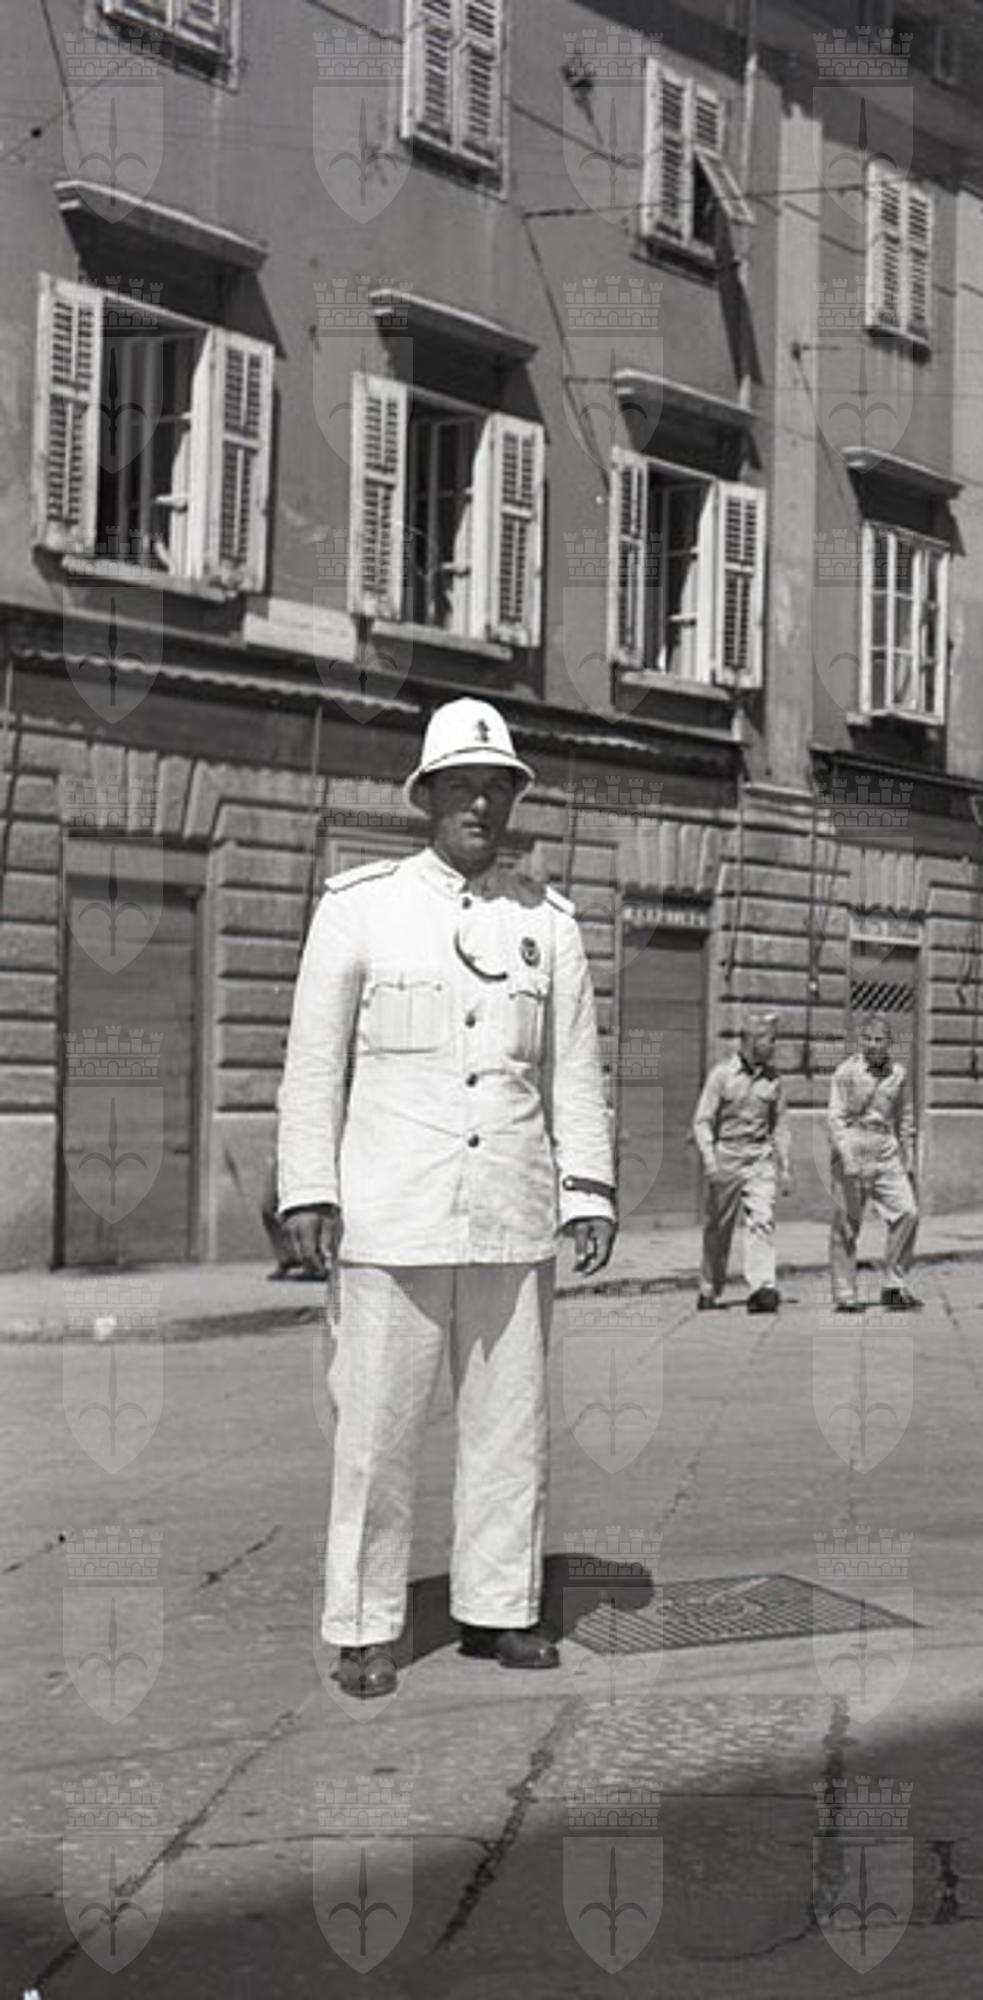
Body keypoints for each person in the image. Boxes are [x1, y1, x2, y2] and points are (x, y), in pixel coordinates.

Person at [277, 698, 616, 1700]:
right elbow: (313, 1062)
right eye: (460, 786)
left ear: (514, 800)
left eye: (496, 787)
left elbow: (573, 1070)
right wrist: (308, 1187)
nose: (479, 803)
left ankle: (499, 1608)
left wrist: (586, 1190)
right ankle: (364, 1625)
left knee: (510, 1429)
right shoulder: (361, 906)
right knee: (376, 1434)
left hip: (510, 1210)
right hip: (393, 1213)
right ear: (425, 796)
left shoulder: (547, 924)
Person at [691, 1013, 794, 1314]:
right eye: (770, 1040)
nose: (774, 1046)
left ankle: (762, 1288)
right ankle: (709, 1286)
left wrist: (785, 1164)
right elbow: (702, 1121)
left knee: (762, 1220)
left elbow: (780, 1124)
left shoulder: (774, 1081)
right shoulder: (722, 1075)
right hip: (727, 1156)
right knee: (718, 1228)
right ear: (753, 1040)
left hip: (759, 1158)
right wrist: (710, 1160)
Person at [827, 1016, 921, 1313]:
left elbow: (906, 1117)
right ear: (860, 1040)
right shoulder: (846, 1072)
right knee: (847, 1224)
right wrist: (847, 1157)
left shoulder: (898, 1074)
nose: (872, 1045)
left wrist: (909, 1157)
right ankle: (845, 1294)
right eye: (867, 1039)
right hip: (853, 1143)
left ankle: (894, 1284)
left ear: (889, 1043)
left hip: (885, 1148)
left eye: (879, 1040)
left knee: (908, 1212)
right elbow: (835, 1118)